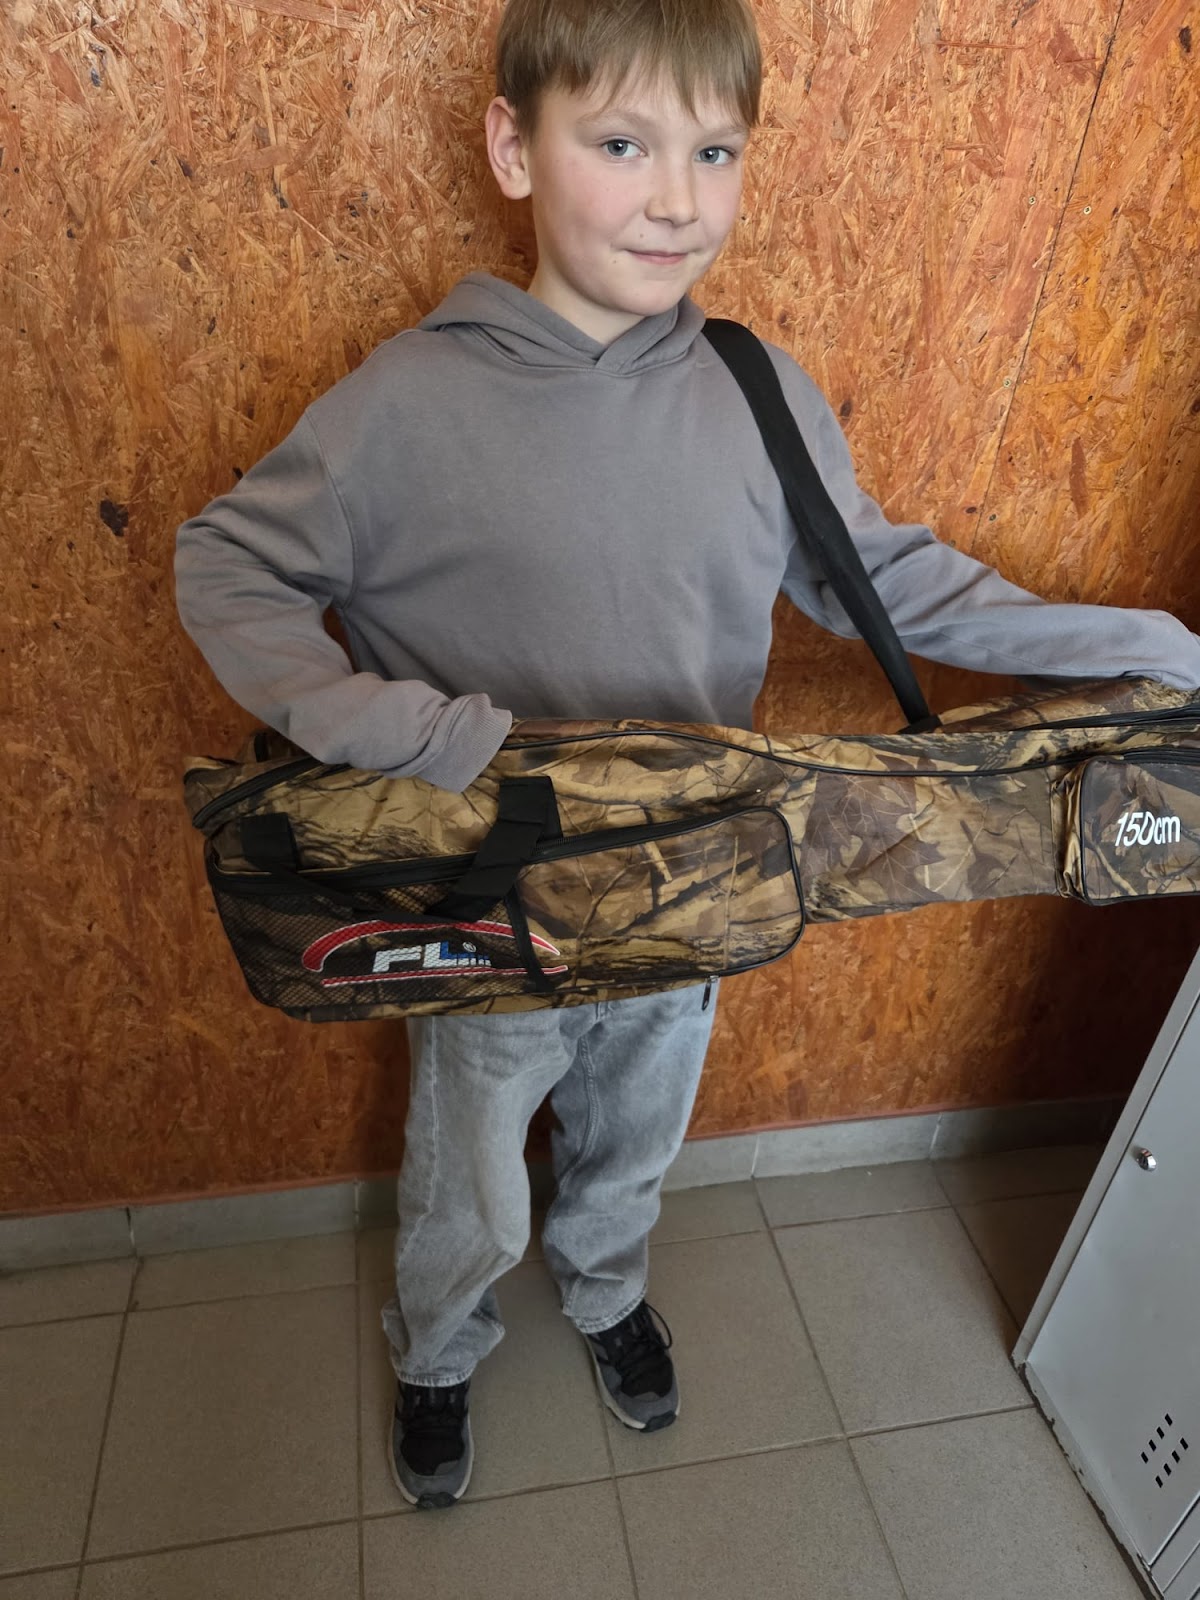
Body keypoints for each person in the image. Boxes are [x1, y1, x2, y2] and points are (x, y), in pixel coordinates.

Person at [173, 0, 1200, 1514]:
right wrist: (415, 739)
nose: (676, 199)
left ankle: (605, 1290)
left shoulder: (755, 391)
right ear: (512, 149)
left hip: (698, 886)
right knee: (470, 1161)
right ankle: (440, 1346)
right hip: (489, 903)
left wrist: (1147, 642)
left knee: (638, 1131)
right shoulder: (404, 405)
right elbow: (225, 563)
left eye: (715, 152)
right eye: (621, 144)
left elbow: (892, 582)